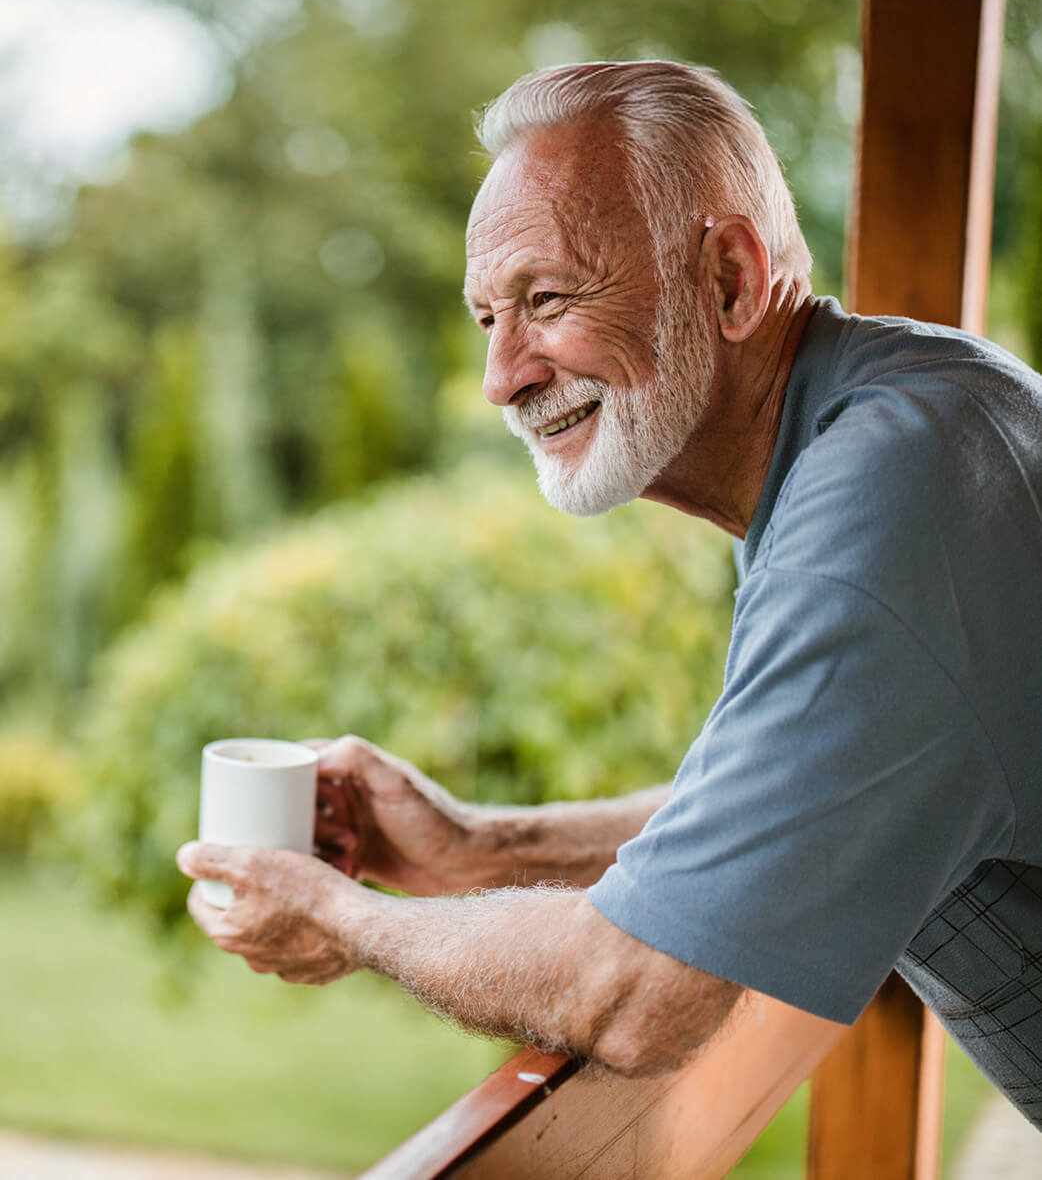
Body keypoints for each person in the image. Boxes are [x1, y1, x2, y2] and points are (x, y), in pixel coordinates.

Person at [177, 61, 1042, 1120]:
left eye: (545, 299)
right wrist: (483, 848)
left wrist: (340, 918)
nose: (503, 375)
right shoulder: (894, 423)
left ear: (727, 278)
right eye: (485, 317)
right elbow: (788, 807)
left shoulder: (890, 501)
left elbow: (635, 989)